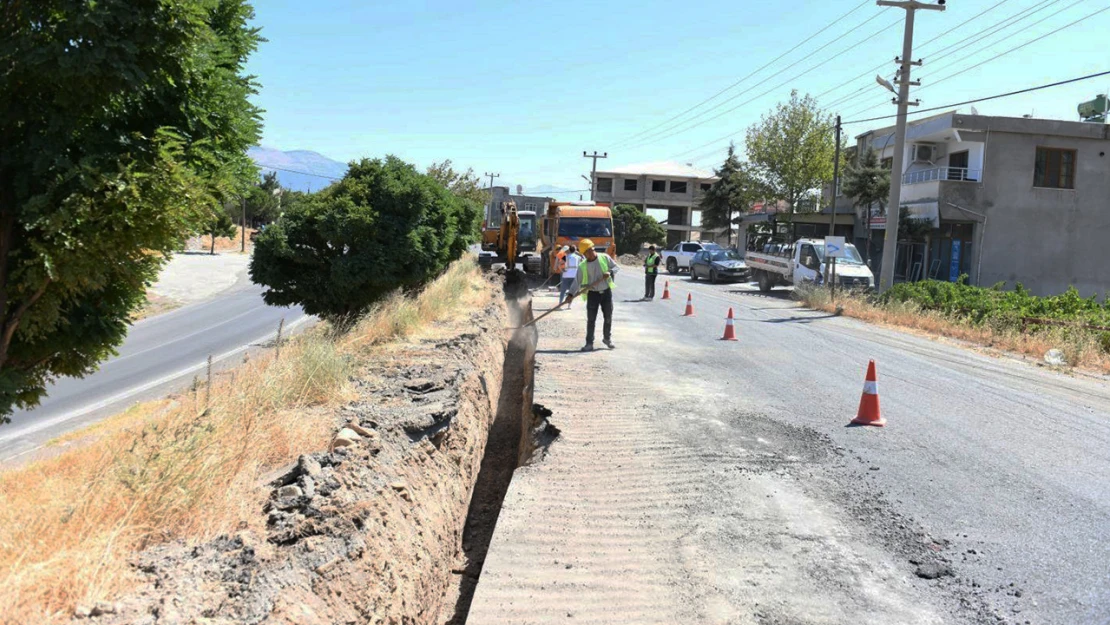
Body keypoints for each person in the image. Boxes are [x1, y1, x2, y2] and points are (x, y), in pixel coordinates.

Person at [566, 238, 618, 351]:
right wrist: (570, 294)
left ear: (591, 250)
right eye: (584, 254)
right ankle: (589, 343)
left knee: (608, 316)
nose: (586, 256)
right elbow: (576, 281)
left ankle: (607, 339)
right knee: (591, 320)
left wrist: (610, 272)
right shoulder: (583, 266)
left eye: (586, 253)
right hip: (593, 295)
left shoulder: (604, 257)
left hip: (606, 292)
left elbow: (616, 267)